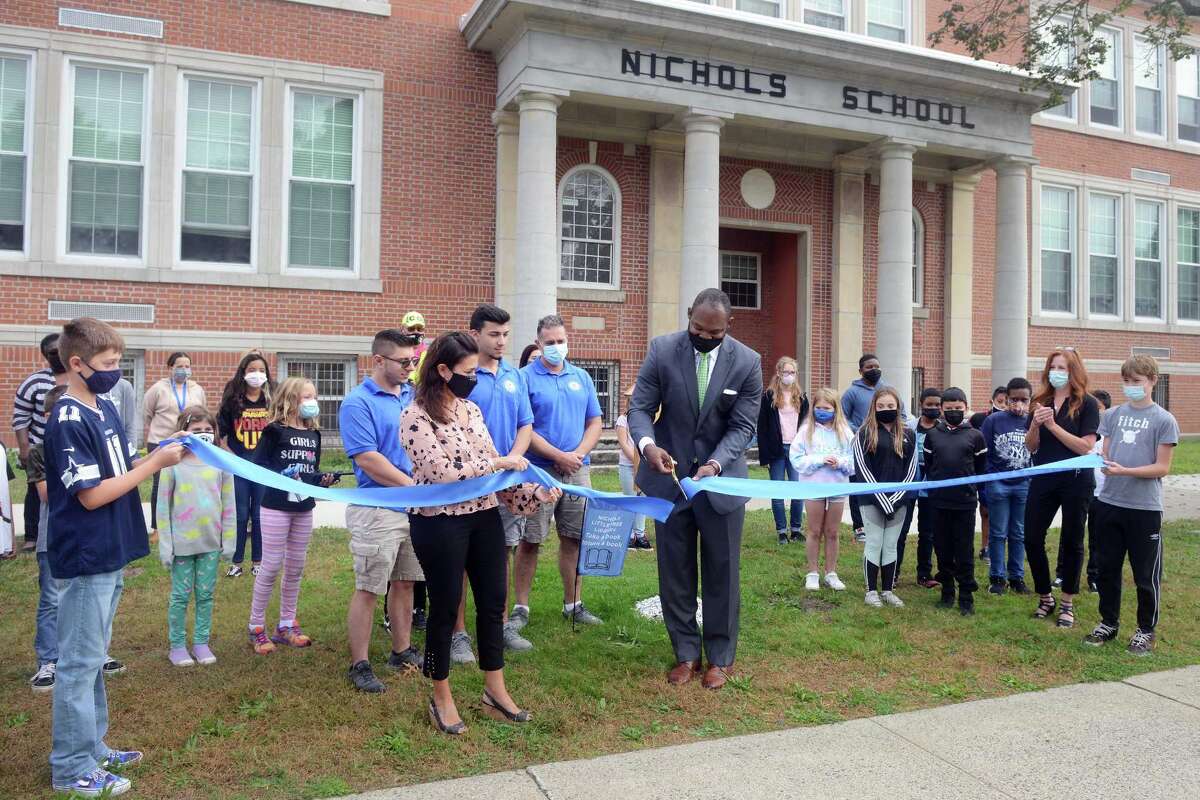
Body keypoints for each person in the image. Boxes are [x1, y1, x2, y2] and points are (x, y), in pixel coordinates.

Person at [44, 317, 185, 797]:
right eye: (107, 364)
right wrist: (153, 465)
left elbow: (121, 467)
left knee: (94, 658)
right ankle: (69, 766)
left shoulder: (101, 407)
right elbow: (90, 495)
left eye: (118, 362)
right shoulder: (66, 419)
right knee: (78, 664)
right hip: (85, 557)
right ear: (77, 364)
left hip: (110, 551)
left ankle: (93, 745)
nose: (115, 371)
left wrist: (166, 450)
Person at [401, 332, 559, 734]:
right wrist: (498, 464)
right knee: (446, 605)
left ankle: (495, 692)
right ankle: (441, 695)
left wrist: (532, 494)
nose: (474, 378)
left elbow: (495, 472)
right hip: (438, 520)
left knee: (493, 603)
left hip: (484, 515)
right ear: (442, 370)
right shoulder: (415, 416)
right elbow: (444, 474)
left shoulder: (472, 411)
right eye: (468, 372)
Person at [628, 288, 762, 690]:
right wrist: (647, 446)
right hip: (668, 481)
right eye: (697, 328)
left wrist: (716, 464)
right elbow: (640, 408)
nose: (704, 336)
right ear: (689, 317)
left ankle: (720, 656)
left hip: (720, 482)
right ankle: (685, 652)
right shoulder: (662, 350)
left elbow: (742, 425)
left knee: (722, 570)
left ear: (728, 326)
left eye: (714, 333)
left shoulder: (749, 362)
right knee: (675, 570)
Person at [340, 329, 425, 692]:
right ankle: (359, 663)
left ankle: (401, 650)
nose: (410, 368)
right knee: (369, 586)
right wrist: (414, 486)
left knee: (406, 581)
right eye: (403, 361)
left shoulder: (412, 396)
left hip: (415, 506)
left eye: (414, 361)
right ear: (378, 360)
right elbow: (367, 459)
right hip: (377, 508)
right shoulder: (357, 402)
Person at [1085, 355, 1178, 655]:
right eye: (1126, 381)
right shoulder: (1111, 415)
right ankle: (1108, 622)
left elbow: (1161, 467)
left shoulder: (1164, 420)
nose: (1130, 387)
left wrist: (1125, 471)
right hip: (1110, 502)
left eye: (1136, 381)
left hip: (1144, 509)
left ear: (1152, 381)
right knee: (1107, 569)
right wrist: (1102, 464)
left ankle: (1145, 630)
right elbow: (1106, 454)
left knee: (1144, 575)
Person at [463, 305, 542, 656]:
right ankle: (458, 633)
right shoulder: (464, 374)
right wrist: (488, 464)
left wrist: (512, 458)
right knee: (463, 559)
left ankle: (499, 627)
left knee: (502, 553)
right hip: (470, 481)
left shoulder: (514, 374)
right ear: (475, 334)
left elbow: (525, 423)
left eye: (506, 334)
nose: (501, 341)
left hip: (507, 481)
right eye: (494, 334)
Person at [523, 314, 605, 626]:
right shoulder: (526, 378)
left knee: (574, 538)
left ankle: (574, 604)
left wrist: (577, 454)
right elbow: (524, 428)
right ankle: (521, 608)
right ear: (538, 343)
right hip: (538, 471)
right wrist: (558, 455)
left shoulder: (581, 377)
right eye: (550, 342)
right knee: (530, 541)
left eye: (561, 341)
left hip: (577, 471)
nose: (557, 347)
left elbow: (595, 422)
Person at [246, 377, 337, 655]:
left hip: (303, 508)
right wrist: (283, 476)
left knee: (296, 567)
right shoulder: (275, 431)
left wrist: (322, 479)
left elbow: (312, 471)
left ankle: (286, 625)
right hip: (275, 506)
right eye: (305, 397)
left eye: (314, 397)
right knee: (271, 565)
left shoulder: (315, 434)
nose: (312, 403)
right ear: (290, 400)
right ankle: (256, 628)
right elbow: (258, 466)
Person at [1024, 348, 1100, 629]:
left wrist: (1053, 425)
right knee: (1031, 536)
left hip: (1076, 479)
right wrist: (1034, 424)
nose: (1057, 372)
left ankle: (1067, 601)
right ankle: (1045, 596)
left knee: (1072, 540)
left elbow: (1086, 447)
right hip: (1044, 477)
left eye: (1063, 367)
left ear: (1074, 372)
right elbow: (1031, 446)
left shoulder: (1087, 403)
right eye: (1053, 366)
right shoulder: (1039, 401)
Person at [156, 406, 235, 667]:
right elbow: (163, 509)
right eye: (196, 430)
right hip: (181, 545)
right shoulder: (172, 464)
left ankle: (201, 643)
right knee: (180, 596)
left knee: (205, 594)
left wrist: (230, 541)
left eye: (207, 430)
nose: (203, 434)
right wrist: (166, 546)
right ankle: (177, 645)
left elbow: (229, 504)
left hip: (210, 543)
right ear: (183, 432)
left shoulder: (221, 463)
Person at [924, 387, 988, 616]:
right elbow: (930, 465)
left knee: (964, 549)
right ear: (941, 409)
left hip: (965, 503)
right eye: (949, 409)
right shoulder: (933, 435)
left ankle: (966, 595)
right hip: (939, 502)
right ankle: (947, 591)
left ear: (965, 408)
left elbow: (981, 468)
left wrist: (972, 490)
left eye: (958, 409)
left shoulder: (975, 435)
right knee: (942, 547)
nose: (953, 412)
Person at [852, 387, 917, 609]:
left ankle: (888, 590)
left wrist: (896, 499)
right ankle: (871, 591)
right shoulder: (864, 433)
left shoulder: (909, 434)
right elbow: (862, 470)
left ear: (898, 407)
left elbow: (911, 472)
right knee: (874, 543)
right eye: (881, 406)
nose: (886, 410)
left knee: (891, 545)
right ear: (873, 408)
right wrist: (882, 499)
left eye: (890, 406)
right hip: (871, 501)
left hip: (899, 502)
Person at [789, 387, 853, 591]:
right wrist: (819, 460)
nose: (823, 411)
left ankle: (831, 572)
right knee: (814, 530)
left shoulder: (845, 432)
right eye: (819, 407)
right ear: (813, 408)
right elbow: (796, 459)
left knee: (832, 532)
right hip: (813, 487)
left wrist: (840, 463)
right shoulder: (806, 431)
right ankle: (813, 572)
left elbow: (854, 461)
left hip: (837, 486)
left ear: (835, 409)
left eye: (827, 408)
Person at [27, 385, 68, 692]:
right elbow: (45, 494)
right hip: (52, 537)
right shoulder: (40, 452)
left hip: (85, 537)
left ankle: (91, 653)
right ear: (47, 417)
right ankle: (48, 659)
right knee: (52, 599)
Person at [218, 352, 273, 578]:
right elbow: (223, 436)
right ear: (243, 372)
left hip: (263, 468)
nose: (256, 374)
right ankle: (236, 561)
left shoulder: (271, 400)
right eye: (251, 370)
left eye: (261, 370)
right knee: (240, 515)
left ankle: (258, 561)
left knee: (259, 515)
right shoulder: (232, 400)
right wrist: (233, 459)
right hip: (238, 466)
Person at [842, 353, 904, 544]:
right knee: (859, 485)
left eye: (876, 366)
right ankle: (859, 526)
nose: (874, 370)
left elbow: (902, 414)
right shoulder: (851, 392)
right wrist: (861, 431)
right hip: (861, 446)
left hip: (885, 446)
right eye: (869, 367)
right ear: (860, 370)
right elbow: (843, 419)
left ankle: (884, 515)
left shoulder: (888, 391)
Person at [144, 352, 206, 537]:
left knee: (185, 483)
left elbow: (202, 412)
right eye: (179, 366)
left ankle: (183, 522)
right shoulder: (158, 389)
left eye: (187, 366)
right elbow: (147, 413)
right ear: (170, 368)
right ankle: (157, 528)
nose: (184, 370)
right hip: (161, 442)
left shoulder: (197, 389)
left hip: (187, 443)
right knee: (160, 485)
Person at [980, 378, 1033, 596]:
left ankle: (1017, 577)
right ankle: (997, 577)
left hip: (1024, 482)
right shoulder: (994, 420)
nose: (1018, 404)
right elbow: (985, 451)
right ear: (1006, 399)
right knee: (998, 532)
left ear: (1030, 400)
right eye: (1014, 399)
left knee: (1019, 533)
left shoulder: (1032, 421)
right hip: (998, 482)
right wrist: (989, 479)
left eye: (1024, 400)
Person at [13, 333, 63, 552]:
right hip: (40, 449)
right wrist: (25, 449)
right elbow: (20, 418)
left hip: (68, 446)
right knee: (35, 493)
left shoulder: (79, 379)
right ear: (45, 355)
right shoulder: (33, 382)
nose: (58, 355)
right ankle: (32, 535)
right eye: (53, 352)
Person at [758, 356, 809, 545]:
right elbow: (762, 427)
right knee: (778, 491)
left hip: (796, 449)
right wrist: (765, 456)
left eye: (792, 372)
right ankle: (781, 531)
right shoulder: (769, 396)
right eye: (786, 372)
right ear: (779, 373)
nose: (789, 376)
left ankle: (796, 529)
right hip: (776, 450)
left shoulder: (802, 397)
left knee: (797, 490)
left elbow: (807, 424)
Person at [901, 388, 942, 589]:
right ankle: (893, 573)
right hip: (909, 484)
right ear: (921, 404)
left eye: (937, 405)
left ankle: (924, 574)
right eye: (929, 405)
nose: (933, 408)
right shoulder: (909, 426)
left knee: (928, 532)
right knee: (901, 529)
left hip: (931, 486)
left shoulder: (942, 429)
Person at [971, 386, 1007, 562]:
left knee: (1002, 512)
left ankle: (998, 546)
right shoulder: (979, 419)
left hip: (1005, 471)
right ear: (991, 401)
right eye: (1000, 402)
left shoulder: (1013, 420)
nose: (1003, 405)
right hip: (983, 471)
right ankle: (985, 546)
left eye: (1007, 402)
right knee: (985, 510)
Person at [1083, 389, 1114, 593]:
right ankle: (1062, 574)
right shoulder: (1084, 433)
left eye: (1098, 408)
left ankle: (1094, 576)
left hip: (1102, 494)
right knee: (1072, 534)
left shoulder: (1111, 437)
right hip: (1081, 490)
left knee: (1097, 538)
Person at [615, 385, 652, 551]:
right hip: (627, 465)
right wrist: (636, 460)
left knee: (642, 499)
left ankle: (640, 534)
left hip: (644, 465)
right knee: (630, 498)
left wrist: (643, 462)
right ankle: (628, 535)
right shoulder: (623, 420)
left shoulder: (648, 418)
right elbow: (624, 443)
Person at [403, 311, 430, 383]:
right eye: (411, 328)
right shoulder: (394, 352)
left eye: (419, 329)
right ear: (402, 330)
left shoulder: (429, 355)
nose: (416, 332)